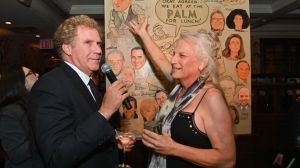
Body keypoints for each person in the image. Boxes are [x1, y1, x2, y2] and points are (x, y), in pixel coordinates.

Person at [28, 15, 133, 168]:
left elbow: (86, 130)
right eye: (88, 43)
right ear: (67, 48)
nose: (98, 50)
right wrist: (105, 111)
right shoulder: (49, 87)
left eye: (98, 44)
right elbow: (58, 156)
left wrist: (113, 143)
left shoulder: (88, 83)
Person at [130, 17, 236, 167]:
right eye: (174, 54)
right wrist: (143, 34)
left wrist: (174, 149)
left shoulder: (211, 97)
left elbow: (227, 159)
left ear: (202, 63)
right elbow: (160, 58)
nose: (173, 60)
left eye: (182, 56)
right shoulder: (180, 86)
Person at [0, 65, 43, 168]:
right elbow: (17, 153)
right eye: (31, 72)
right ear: (22, 82)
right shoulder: (8, 113)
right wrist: (46, 135)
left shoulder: (32, 104)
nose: (37, 74)